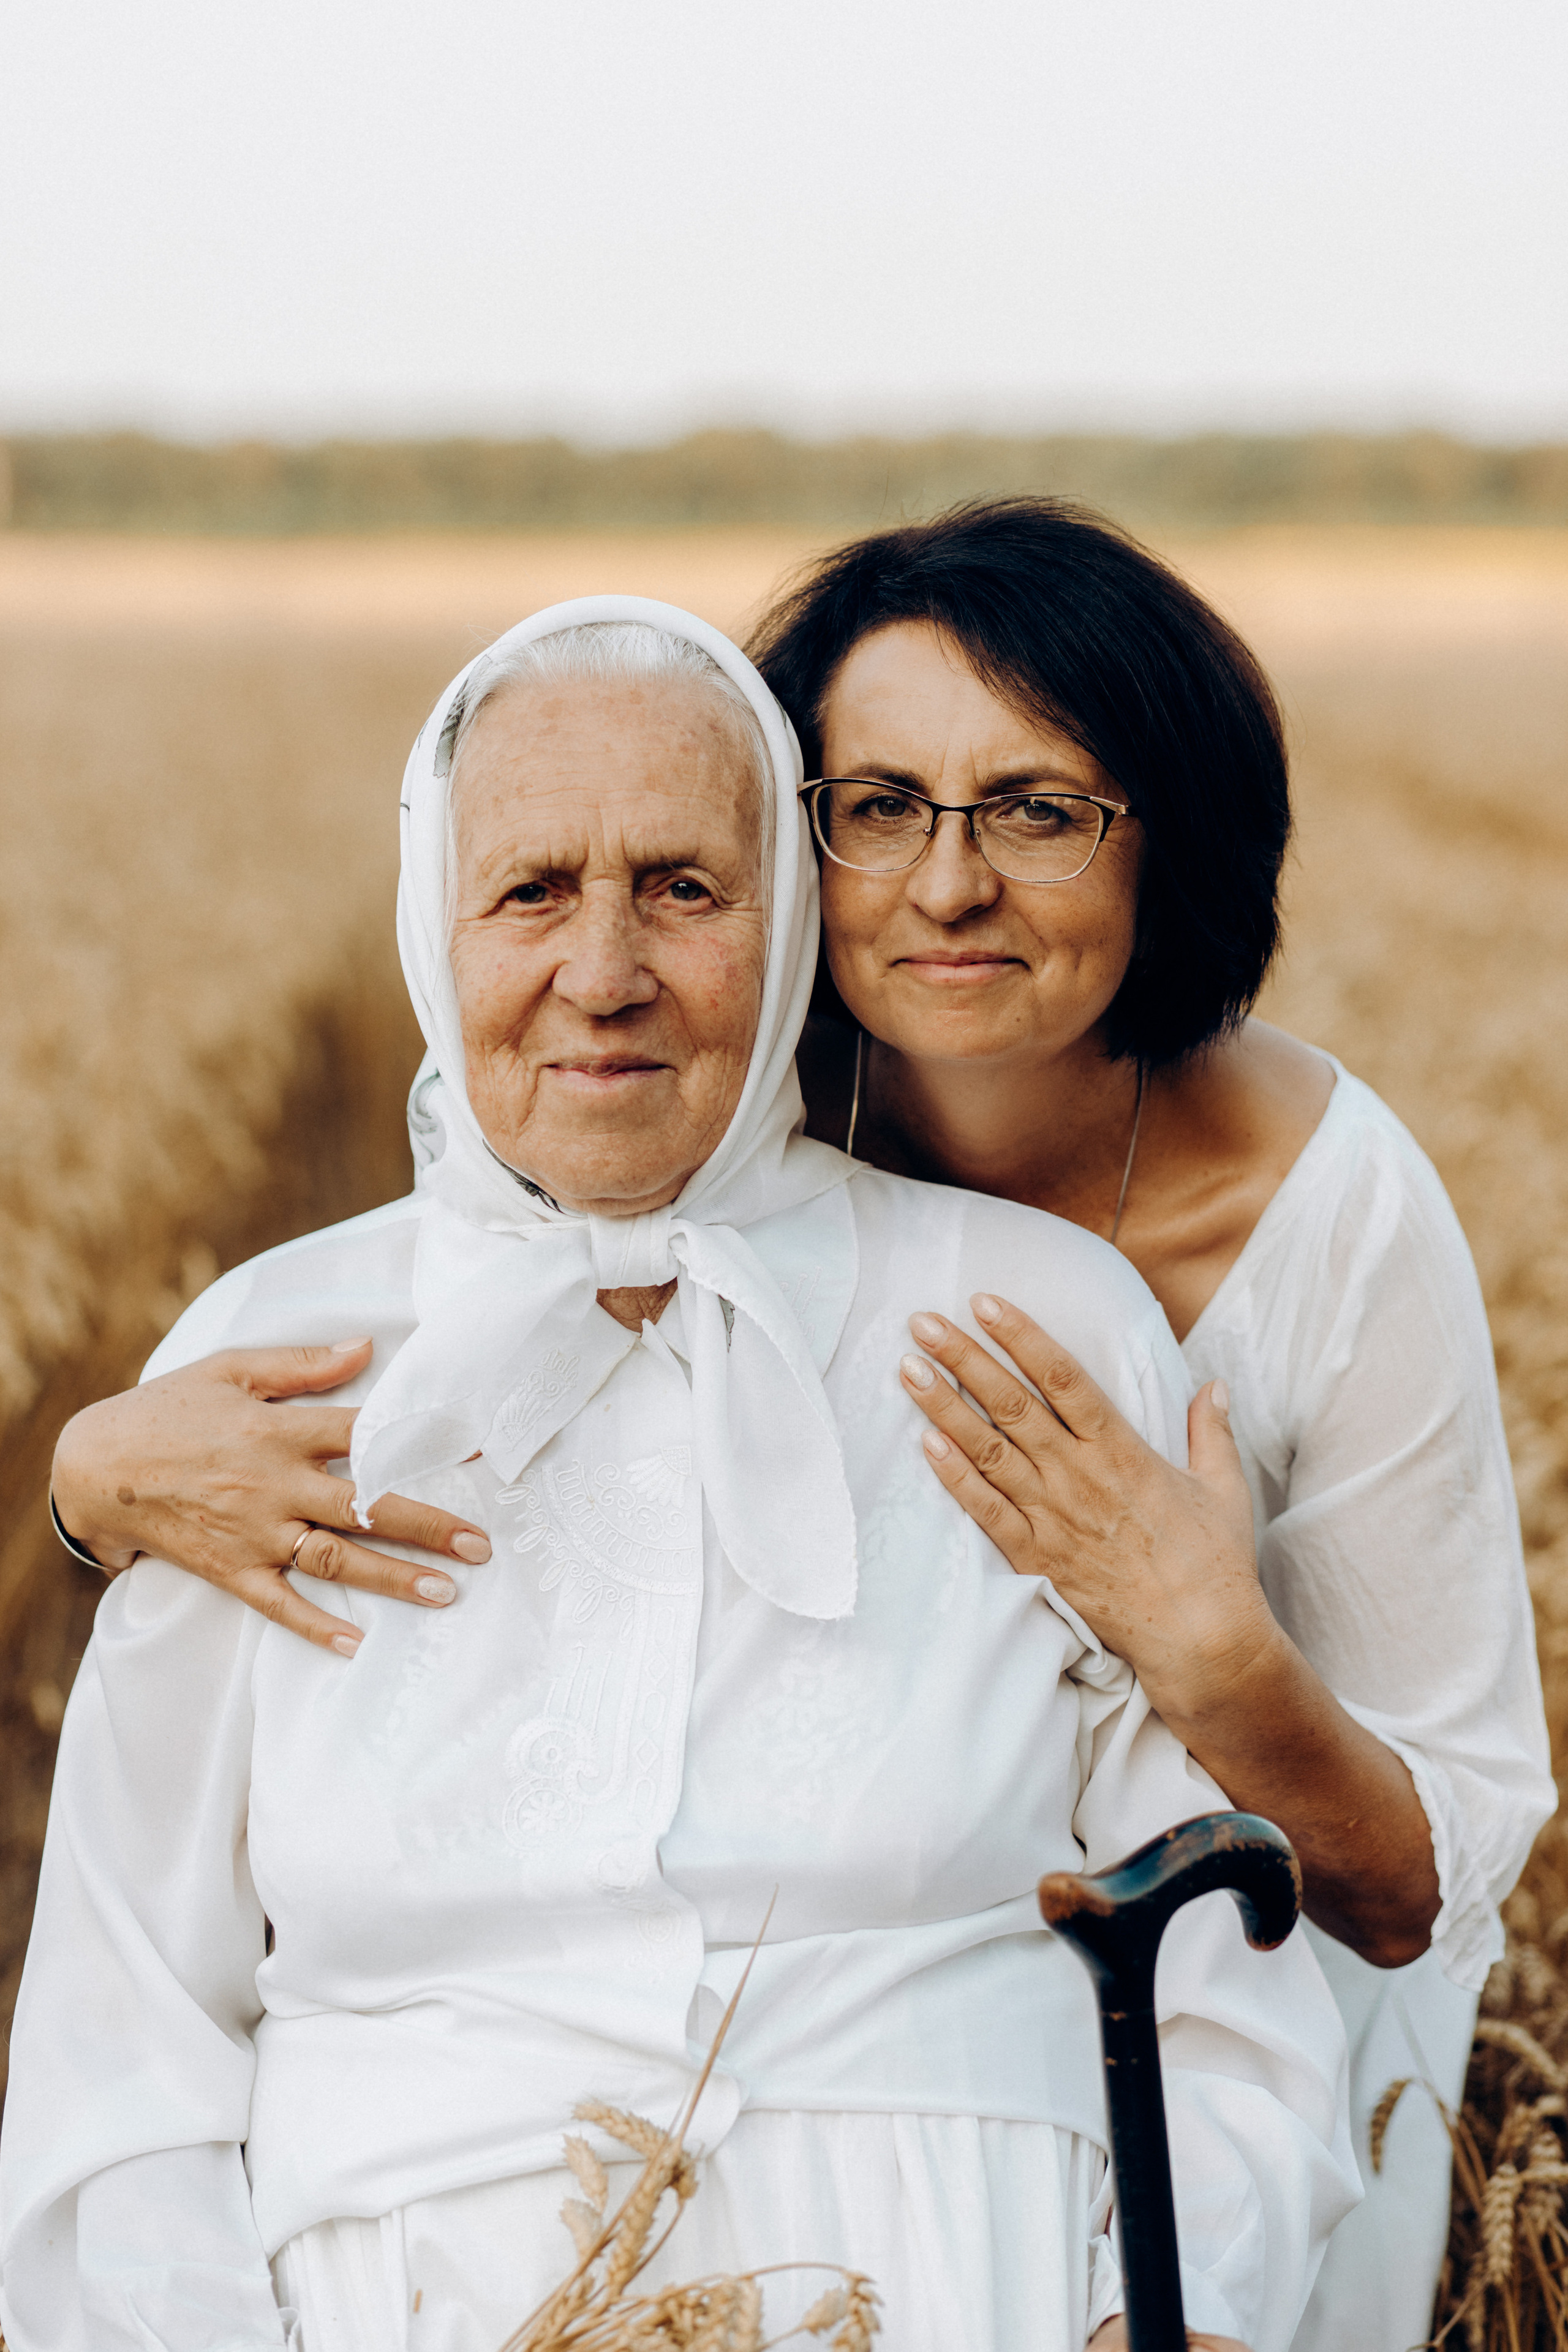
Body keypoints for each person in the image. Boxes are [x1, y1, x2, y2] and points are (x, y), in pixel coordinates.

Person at [45, 506, 1555, 2351]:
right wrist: (84, 1480)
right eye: (528, 891)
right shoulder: (283, 1355)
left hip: (1022, 2231)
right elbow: (126, 2034)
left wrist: (1217, 1652)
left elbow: (1307, 1937)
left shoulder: (1126, 1300)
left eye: (1039, 810)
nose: (607, 971)